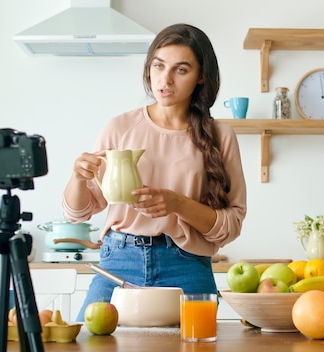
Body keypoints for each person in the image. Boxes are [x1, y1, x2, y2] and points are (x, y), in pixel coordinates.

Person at [62, 23, 247, 322]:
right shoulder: (119, 126)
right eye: (158, 66)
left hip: (187, 266)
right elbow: (78, 212)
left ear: (201, 76)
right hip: (118, 261)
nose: (165, 79)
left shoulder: (220, 136)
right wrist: (78, 177)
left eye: (181, 70)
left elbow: (231, 224)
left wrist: (178, 205)